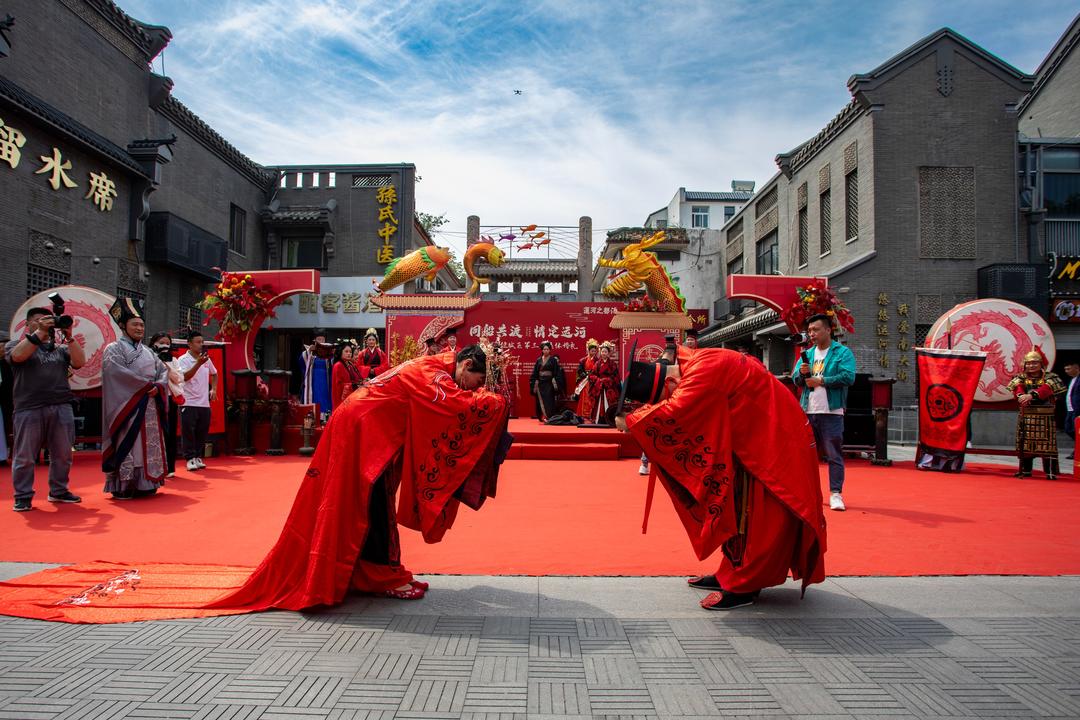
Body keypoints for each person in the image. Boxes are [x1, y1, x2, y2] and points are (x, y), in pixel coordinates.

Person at [616, 345, 826, 610]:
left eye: (665, 396)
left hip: (773, 439)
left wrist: (632, 421)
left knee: (758, 517)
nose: (670, 398)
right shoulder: (694, 360)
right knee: (735, 506)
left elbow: (676, 411)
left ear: (670, 380)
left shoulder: (701, 372)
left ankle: (746, 584)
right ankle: (731, 571)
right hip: (751, 436)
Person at [5, 307, 86, 511]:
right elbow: (18, 356)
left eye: (48, 321)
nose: (46, 323)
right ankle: (22, 495)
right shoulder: (15, 344)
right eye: (39, 320)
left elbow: (79, 362)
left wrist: (69, 336)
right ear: (28, 324)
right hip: (29, 407)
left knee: (63, 454)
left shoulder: (59, 349)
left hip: (61, 405)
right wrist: (40, 332)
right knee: (25, 455)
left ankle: (58, 491)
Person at [101, 298, 169, 500]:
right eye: (135, 324)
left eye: (142, 325)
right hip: (126, 405)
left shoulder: (149, 352)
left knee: (149, 445)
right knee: (130, 443)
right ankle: (125, 484)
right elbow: (115, 373)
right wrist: (145, 386)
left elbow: (162, 371)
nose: (140, 328)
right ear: (123, 326)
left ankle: (147, 482)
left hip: (149, 403)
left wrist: (158, 386)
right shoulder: (113, 349)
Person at [792, 314, 856, 512]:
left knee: (833, 455)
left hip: (832, 412)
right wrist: (802, 375)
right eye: (810, 330)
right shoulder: (807, 354)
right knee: (805, 455)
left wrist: (822, 381)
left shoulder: (842, 352)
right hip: (808, 411)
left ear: (828, 330)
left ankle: (836, 494)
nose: (812, 334)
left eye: (816, 330)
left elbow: (848, 376)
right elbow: (795, 379)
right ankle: (807, 493)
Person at [1009, 347, 1066, 479]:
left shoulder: (1051, 377)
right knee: (1025, 443)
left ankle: (1050, 472)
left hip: (1045, 416)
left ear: (1041, 364)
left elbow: (1048, 388)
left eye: (1035, 363)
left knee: (1047, 445)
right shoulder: (1021, 377)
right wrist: (1021, 396)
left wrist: (1031, 395)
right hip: (1026, 414)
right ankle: (1026, 470)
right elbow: (1016, 388)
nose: (1031, 365)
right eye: (1028, 363)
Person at [176, 330, 218, 472]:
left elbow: (215, 373)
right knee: (188, 431)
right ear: (189, 344)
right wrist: (198, 364)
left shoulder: (206, 358)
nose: (201, 345)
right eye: (198, 342)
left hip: (204, 402)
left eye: (202, 342)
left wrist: (214, 389)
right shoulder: (182, 360)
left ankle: (198, 456)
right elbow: (185, 377)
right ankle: (189, 458)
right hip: (188, 402)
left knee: (202, 431)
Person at [149, 332, 185, 478]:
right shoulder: (148, 357)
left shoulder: (174, 360)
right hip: (153, 397)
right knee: (154, 433)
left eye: (167, 344)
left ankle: (170, 467)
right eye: (161, 343)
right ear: (153, 344)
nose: (165, 346)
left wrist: (165, 365)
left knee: (169, 433)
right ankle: (154, 466)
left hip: (169, 399)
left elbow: (179, 378)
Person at [300, 329, 333, 418]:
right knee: (314, 396)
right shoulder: (310, 351)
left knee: (325, 396)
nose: (321, 341)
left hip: (325, 379)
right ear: (315, 340)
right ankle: (312, 416)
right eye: (319, 339)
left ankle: (325, 416)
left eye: (322, 339)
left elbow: (333, 365)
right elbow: (302, 363)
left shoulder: (328, 351)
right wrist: (309, 351)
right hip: (313, 379)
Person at [587, 341, 619, 426]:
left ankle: (610, 419)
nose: (604, 353)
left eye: (605, 352)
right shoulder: (597, 363)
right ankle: (598, 419)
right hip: (599, 386)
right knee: (598, 403)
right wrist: (598, 380)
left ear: (609, 353)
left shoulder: (612, 364)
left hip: (609, 387)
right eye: (602, 351)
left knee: (610, 403)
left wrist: (607, 380)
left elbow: (615, 376)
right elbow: (592, 375)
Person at [529, 340, 563, 421]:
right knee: (540, 400)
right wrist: (535, 382)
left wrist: (555, 382)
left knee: (549, 400)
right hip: (540, 383)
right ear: (542, 350)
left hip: (549, 383)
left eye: (547, 349)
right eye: (544, 349)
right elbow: (535, 372)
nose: (546, 351)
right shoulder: (538, 360)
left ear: (550, 350)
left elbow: (556, 372)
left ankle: (549, 416)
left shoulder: (553, 360)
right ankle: (542, 416)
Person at [331, 343, 363, 411]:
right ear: (340, 352)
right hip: (341, 400)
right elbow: (338, 386)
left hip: (352, 397)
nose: (349, 354)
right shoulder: (338, 365)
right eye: (346, 351)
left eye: (350, 352)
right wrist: (353, 386)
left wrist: (362, 382)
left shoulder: (350, 365)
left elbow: (358, 378)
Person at [574, 339, 599, 420]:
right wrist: (584, 375)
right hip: (585, 381)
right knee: (584, 397)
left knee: (592, 397)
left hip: (593, 381)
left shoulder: (598, 361)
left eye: (595, 351)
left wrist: (593, 376)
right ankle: (583, 414)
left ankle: (592, 414)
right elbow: (579, 370)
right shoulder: (583, 360)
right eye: (592, 351)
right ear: (588, 350)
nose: (593, 353)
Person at [1063, 361, 1079, 459]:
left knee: (1076, 430)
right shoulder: (1072, 379)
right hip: (1070, 409)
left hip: (1077, 409)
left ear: (1076, 367)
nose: (1066, 371)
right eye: (1065, 369)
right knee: (1068, 429)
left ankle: (1077, 451)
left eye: (1068, 369)